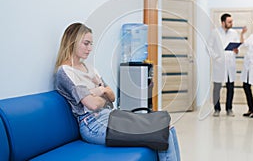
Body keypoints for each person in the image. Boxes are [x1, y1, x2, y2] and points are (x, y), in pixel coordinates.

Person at [54, 22, 180, 161]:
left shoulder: (90, 68)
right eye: (86, 43)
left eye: (91, 44)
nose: (90, 48)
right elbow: (92, 105)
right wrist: (102, 91)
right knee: (162, 133)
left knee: (167, 126)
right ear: (72, 41)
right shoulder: (65, 71)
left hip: (111, 115)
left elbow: (112, 96)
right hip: (93, 125)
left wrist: (98, 91)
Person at [207, 13, 239, 117]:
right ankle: (217, 109)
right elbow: (208, 47)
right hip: (219, 64)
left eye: (232, 21)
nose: (231, 23)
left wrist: (236, 51)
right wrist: (217, 57)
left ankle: (229, 108)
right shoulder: (215, 33)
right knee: (217, 88)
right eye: (229, 21)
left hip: (230, 64)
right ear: (223, 22)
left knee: (230, 88)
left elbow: (236, 48)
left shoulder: (234, 33)